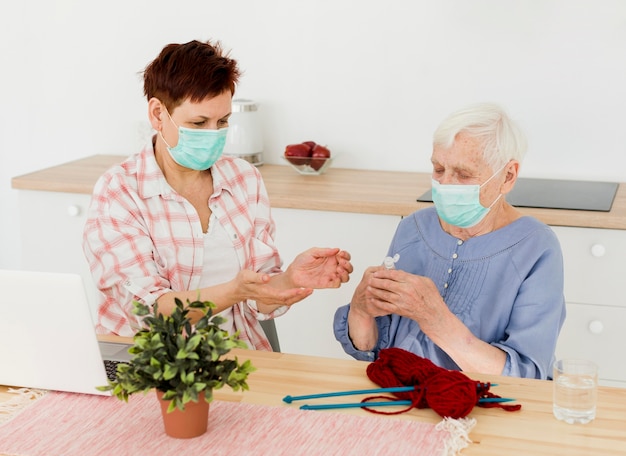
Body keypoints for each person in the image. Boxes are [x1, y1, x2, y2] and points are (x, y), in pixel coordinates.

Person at [83, 40, 352, 350]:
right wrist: (233, 292)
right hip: (150, 365)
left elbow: (258, 296)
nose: (213, 135)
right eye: (198, 123)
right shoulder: (119, 192)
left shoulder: (243, 178)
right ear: (158, 114)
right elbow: (149, 312)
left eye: (222, 122)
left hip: (235, 362)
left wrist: (290, 279)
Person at [334, 103, 565, 379]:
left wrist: (437, 321)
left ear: (508, 176)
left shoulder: (536, 248)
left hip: (476, 408)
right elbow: (371, 351)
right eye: (439, 169)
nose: (445, 184)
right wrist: (361, 310)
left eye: (464, 174)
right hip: (393, 395)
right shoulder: (412, 228)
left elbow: (526, 377)